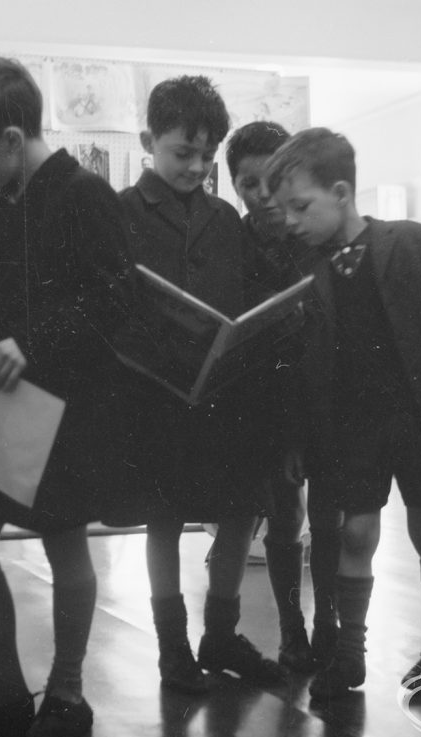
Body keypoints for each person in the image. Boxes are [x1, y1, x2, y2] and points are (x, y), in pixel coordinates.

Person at [0, 55, 133, 737]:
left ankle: (66, 693)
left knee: (65, 543)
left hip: (67, 407)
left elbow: (114, 300)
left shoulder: (84, 195)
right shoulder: (4, 204)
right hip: (5, 404)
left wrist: (34, 342)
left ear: (11, 140)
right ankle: (8, 688)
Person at [267, 127, 421, 698]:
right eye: (284, 210)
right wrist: (295, 438)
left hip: (419, 415)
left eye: (300, 206)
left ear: (341, 191)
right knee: (355, 533)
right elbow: (295, 359)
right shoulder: (304, 268)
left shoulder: (410, 241)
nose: (290, 220)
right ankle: (350, 654)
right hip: (350, 424)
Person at [112, 76, 285, 694]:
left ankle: (221, 632)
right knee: (163, 517)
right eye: (182, 153)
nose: (195, 166)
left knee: (243, 506)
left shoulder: (224, 219)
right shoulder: (121, 214)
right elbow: (114, 308)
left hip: (223, 396)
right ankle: (171, 647)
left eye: (206, 155)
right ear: (147, 142)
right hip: (154, 397)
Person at [226, 120, 337, 672]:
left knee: (332, 513)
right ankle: (293, 632)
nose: (264, 196)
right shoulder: (232, 246)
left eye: (274, 180)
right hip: (268, 406)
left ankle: (329, 627)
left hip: (325, 398)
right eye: (249, 184)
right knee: (284, 516)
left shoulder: (317, 235)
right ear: (235, 187)